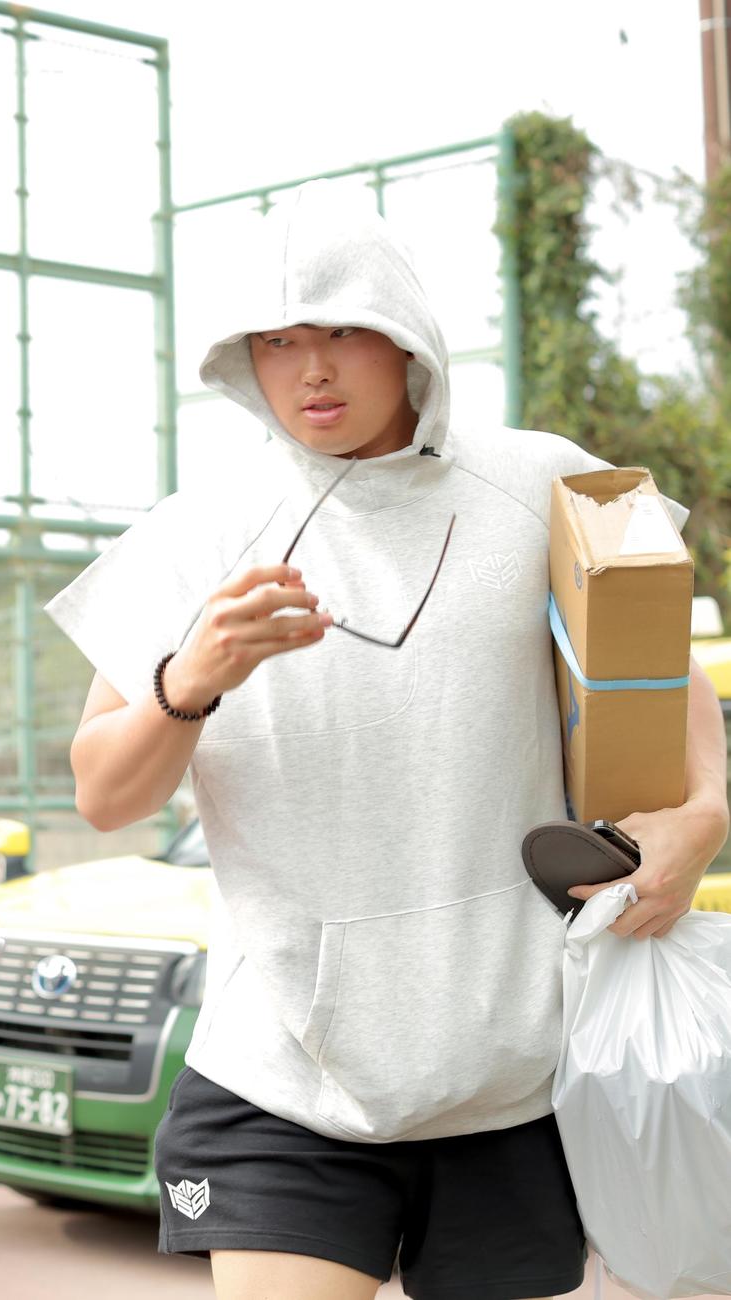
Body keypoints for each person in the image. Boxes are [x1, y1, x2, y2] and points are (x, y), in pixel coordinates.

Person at [46, 186, 730, 1300]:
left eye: (341, 331)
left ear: (407, 336)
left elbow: (667, 682)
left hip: (516, 1068)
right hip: (279, 1073)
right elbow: (103, 794)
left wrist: (703, 815)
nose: (308, 369)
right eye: (275, 341)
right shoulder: (196, 534)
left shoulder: (544, 479)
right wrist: (193, 679)